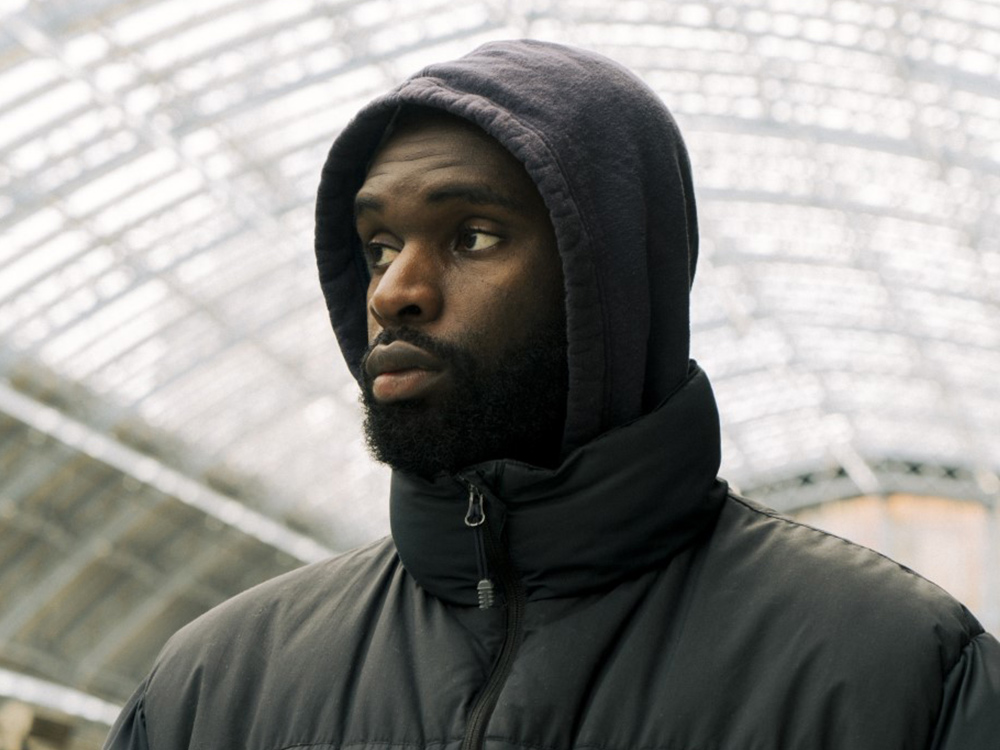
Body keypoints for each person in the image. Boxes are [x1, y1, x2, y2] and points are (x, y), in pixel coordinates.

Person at [104, 40, 1000, 750]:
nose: (392, 292)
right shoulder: (211, 689)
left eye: (474, 236)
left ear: (610, 280)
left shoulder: (900, 674)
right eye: (379, 245)